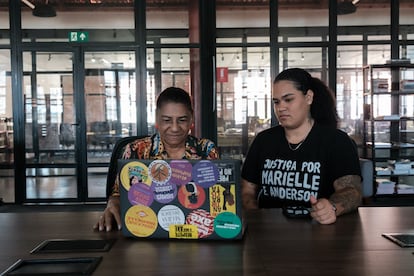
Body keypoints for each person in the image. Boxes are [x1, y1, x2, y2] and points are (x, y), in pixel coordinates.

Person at [241, 68, 362, 225]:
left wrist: (332, 207)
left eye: (288, 99)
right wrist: (255, 217)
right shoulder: (264, 141)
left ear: (309, 97)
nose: (281, 108)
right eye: (276, 102)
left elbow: (352, 191)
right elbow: (247, 190)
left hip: (319, 232)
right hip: (269, 233)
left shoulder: (337, 141)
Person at [94, 87, 219, 231]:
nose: (174, 128)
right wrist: (113, 203)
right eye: (167, 120)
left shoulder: (206, 150)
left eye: (182, 120)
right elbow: (118, 194)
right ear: (157, 119)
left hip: (196, 230)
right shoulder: (135, 150)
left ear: (191, 119)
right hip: (144, 228)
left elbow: (215, 197)